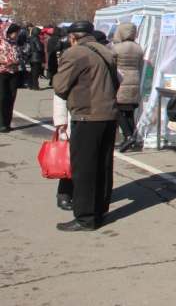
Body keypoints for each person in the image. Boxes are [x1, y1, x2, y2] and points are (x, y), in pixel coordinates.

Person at [53, 21, 119, 231]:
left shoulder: (75, 53)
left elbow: (60, 86)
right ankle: (100, 212)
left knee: (85, 169)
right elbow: (116, 82)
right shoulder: (105, 51)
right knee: (103, 166)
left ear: (73, 36)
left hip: (87, 116)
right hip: (108, 114)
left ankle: (85, 217)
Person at [112, 22, 144, 153]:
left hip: (121, 78)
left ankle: (128, 135)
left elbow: (112, 64)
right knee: (129, 109)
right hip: (134, 78)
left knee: (117, 108)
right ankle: (131, 137)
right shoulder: (138, 48)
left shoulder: (116, 48)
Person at [0, 23, 22, 133]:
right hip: (2, 73)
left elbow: (18, 57)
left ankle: (7, 122)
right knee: (2, 98)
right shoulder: (1, 43)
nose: (15, 35)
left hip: (14, 73)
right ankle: (1, 123)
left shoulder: (14, 44)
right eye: (13, 32)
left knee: (11, 97)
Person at [53, 93, 73, 211]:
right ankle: (64, 195)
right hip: (72, 122)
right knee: (68, 162)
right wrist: (61, 121)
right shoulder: (68, 73)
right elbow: (60, 93)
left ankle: (82, 194)